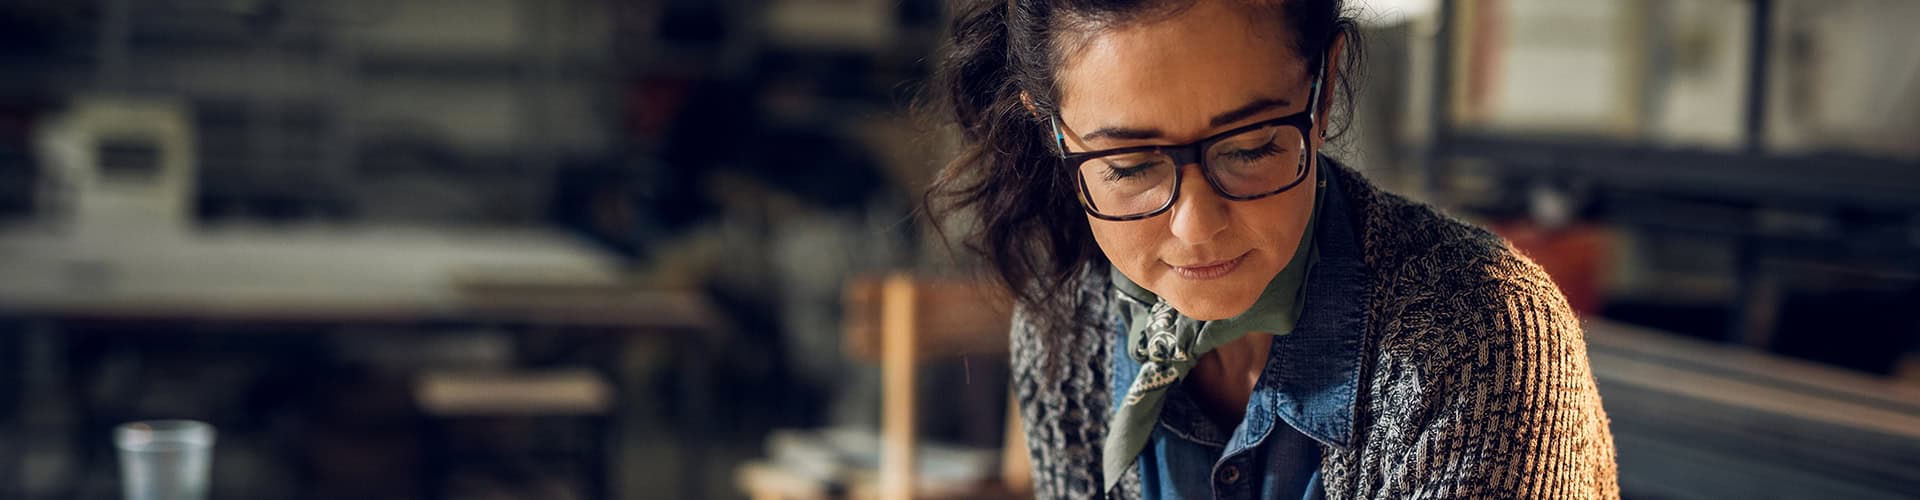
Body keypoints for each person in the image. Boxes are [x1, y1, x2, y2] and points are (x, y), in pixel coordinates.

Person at [925, 0, 1620, 498]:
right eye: (1130, 165)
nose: (1196, 226)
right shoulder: (1067, 325)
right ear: (1053, 132)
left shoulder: (1480, 338)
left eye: (1251, 146)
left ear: (1320, 95)